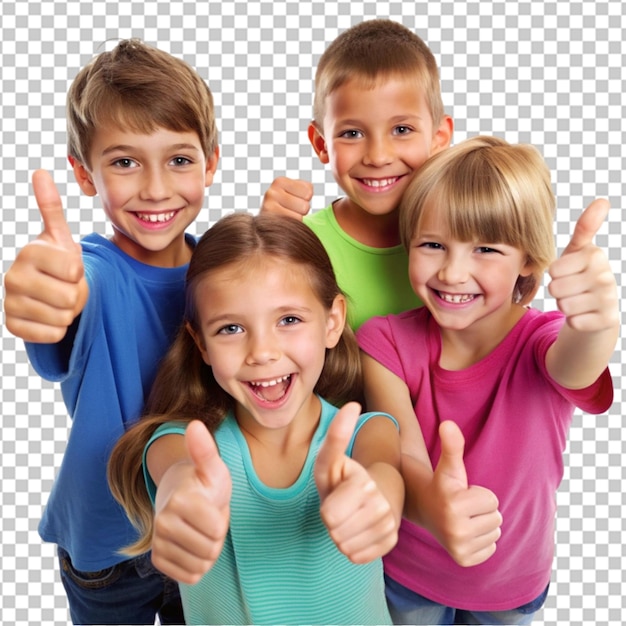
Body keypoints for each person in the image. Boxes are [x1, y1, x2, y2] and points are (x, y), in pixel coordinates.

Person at [357, 135, 618, 625]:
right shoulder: (384, 341)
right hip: (409, 576)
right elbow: (400, 454)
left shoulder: (544, 341)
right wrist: (433, 509)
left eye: (485, 249)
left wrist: (597, 323)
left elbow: (576, 361)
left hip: (512, 586)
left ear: (528, 262)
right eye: (432, 245)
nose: (453, 272)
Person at [2, 39, 220, 624]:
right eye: (125, 162)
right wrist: (50, 294)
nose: (154, 188)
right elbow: (73, 295)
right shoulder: (92, 273)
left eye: (179, 159)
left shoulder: (219, 276)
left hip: (202, 532)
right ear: (84, 173)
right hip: (106, 547)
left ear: (212, 162)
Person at [107, 212, 405, 625]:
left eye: (289, 320)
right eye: (230, 328)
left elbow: (383, 473)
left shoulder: (365, 431)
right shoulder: (184, 441)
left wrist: (376, 504)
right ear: (202, 344)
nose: (262, 352)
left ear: (332, 322)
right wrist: (182, 500)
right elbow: (177, 471)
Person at [262, 19, 454, 329]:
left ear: (439, 137)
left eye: (402, 129)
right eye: (352, 133)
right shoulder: (303, 243)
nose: (378, 157)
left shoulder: (464, 237)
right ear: (321, 144)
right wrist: (265, 245)